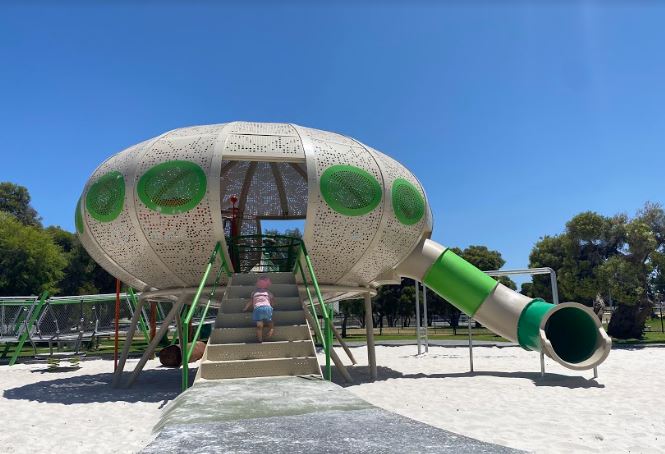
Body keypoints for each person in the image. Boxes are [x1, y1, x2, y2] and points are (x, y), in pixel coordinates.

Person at [243, 276, 275, 343]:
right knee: (270, 321)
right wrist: (272, 306)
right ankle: (271, 329)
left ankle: (260, 340)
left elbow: (250, 302)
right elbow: (272, 301)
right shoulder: (268, 292)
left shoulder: (254, 292)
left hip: (258, 309)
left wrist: (245, 308)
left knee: (259, 326)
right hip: (267, 308)